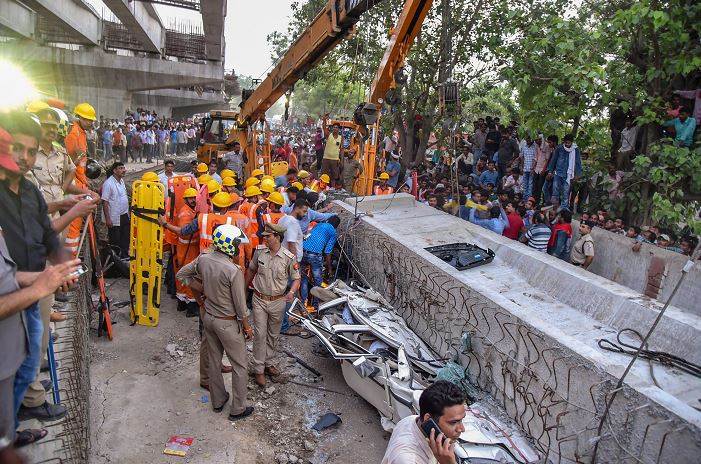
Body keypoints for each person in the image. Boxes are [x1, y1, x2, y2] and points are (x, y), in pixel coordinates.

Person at [0, 112, 72, 441]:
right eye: (18, 149)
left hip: (31, 289)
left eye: (31, 152)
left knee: (28, 364)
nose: (26, 158)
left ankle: (10, 427)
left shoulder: (30, 191)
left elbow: (48, 235)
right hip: (8, 293)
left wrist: (62, 265)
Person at [177, 225, 254, 421]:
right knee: (240, 365)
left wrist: (202, 295)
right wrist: (247, 327)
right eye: (237, 243)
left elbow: (182, 275)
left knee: (213, 360)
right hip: (227, 323)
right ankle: (238, 409)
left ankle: (218, 401)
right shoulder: (233, 270)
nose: (238, 247)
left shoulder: (203, 259)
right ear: (229, 245)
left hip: (209, 318)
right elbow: (240, 305)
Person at [245, 223, 301, 386]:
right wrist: (242, 291)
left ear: (277, 237)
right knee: (260, 334)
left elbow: (296, 278)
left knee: (273, 335)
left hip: (278, 301)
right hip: (259, 300)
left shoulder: (289, 257)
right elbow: (251, 271)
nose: (265, 238)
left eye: (268, 236)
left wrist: (291, 292)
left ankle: (269, 363)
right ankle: (258, 369)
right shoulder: (259, 252)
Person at [381, 380, 466, 464]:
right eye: (453, 422)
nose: (462, 429)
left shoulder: (412, 419)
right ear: (428, 419)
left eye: (461, 420)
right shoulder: (408, 460)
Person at [300, 216, 339, 310]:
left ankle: (303, 303)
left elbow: (309, 236)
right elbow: (328, 251)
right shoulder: (333, 232)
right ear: (336, 226)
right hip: (315, 255)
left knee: (303, 278)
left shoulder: (319, 224)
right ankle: (315, 305)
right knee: (318, 281)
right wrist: (329, 269)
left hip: (303, 251)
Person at [101, 162, 130, 258]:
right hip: (114, 217)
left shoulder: (121, 181)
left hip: (124, 215)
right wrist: (108, 219)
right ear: (114, 170)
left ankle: (125, 257)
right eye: (120, 168)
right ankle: (115, 260)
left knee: (125, 238)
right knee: (115, 240)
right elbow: (104, 202)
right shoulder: (108, 183)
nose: (123, 170)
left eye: (123, 168)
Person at [546, 134, 582, 208]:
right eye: (566, 142)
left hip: (568, 175)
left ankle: (564, 208)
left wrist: (578, 174)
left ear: (572, 142)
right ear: (564, 142)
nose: (567, 144)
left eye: (569, 143)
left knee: (566, 192)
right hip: (558, 173)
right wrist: (550, 171)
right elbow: (553, 160)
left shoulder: (576, 149)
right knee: (555, 190)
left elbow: (578, 162)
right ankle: (554, 207)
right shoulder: (559, 148)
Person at [321, 116, 342, 186]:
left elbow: (342, 150)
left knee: (334, 176)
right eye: (334, 127)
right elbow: (324, 127)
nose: (335, 128)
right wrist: (324, 119)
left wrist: (341, 160)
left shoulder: (341, 138)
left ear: (339, 129)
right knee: (324, 174)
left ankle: (332, 188)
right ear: (332, 128)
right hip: (326, 158)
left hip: (335, 159)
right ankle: (323, 186)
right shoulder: (328, 135)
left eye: (337, 127)